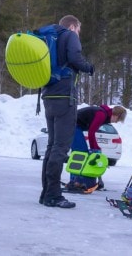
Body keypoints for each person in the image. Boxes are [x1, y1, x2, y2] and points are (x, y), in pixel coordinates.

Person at [39, 15, 94, 209]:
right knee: (61, 148)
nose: (78, 33)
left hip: (48, 97)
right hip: (65, 98)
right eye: (78, 29)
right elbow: (75, 58)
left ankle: (46, 192)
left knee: (52, 146)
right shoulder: (70, 36)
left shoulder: (49, 39)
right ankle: (54, 195)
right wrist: (89, 67)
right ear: (73, 26)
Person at [66, 105, 127, 192]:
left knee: (79, 154)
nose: (116, 122)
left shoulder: (104, 114)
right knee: (80, 153)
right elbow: (91, 132)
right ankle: (75, 182)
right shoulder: (101, 114)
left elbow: (92, 131)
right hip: (70, 125)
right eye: (118, 120)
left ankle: (76, 180)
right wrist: (94, 148)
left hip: (73, 125)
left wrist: (96, 148)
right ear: (116, 115)